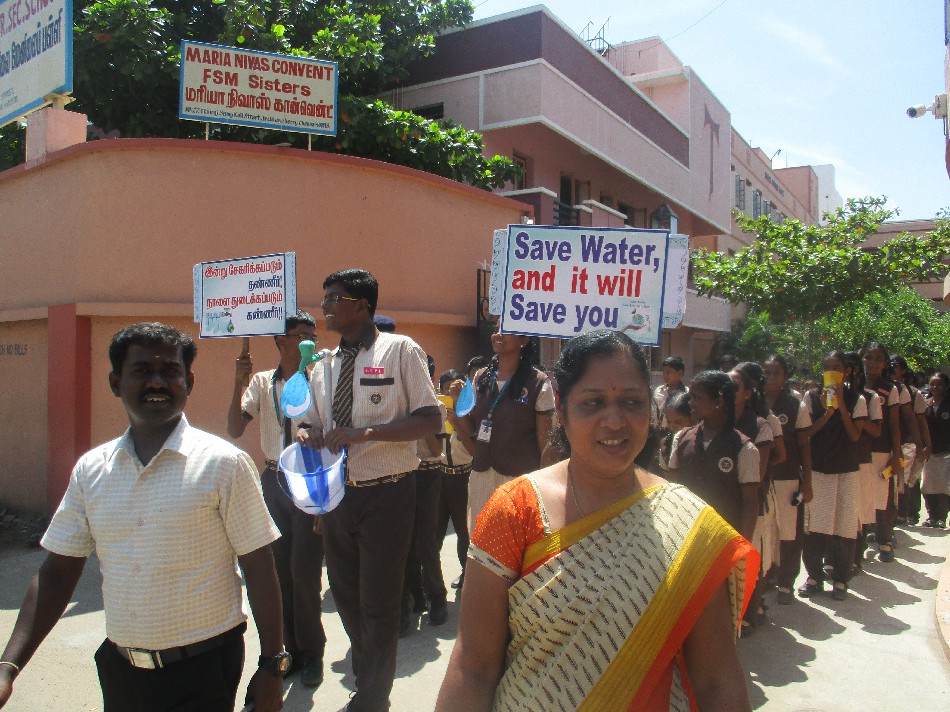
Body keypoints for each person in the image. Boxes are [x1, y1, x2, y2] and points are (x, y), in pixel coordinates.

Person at [435, 330, 757, 712]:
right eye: (592, 403)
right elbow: (473, 667)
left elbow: (718, 681)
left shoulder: (689, 525)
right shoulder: (515, 510)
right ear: (561, 409)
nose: (615, 421)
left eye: (632, 402)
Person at [0, 323, 286, 712]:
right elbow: (57, 574)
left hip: (204, 671)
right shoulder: (91, 470)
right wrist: (8, 666)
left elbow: (259, 566)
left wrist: (272, 665)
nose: (157, 382)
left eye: (170, 370)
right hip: (122, 671)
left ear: (188, 382)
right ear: (116, 383)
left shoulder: (224, 464)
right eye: (141, 371)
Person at [296, 268, 441, 712]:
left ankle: (373, 697)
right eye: (324, 299)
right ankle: (368, 673)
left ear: (362, 305)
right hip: (337, 496)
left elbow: (430, 420)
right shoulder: (324, 364)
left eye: (334, 299)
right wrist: (308, 433)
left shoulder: (400, 350)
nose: (325, 307)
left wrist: (366, 434)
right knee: (345, 596)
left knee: (378, 602)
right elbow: (310, 422)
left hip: (388, 493)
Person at [227, 311, 327, 688]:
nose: (309, 342)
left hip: (310, 477)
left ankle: (313, 652)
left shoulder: (322, 380)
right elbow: (234, 428)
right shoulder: (261, 382)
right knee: (279, 572)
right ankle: (291, 651)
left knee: (305, 573)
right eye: (301, 335)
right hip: (273, 480)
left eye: (313, 336)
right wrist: (237, 382)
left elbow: (331, 430)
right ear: (280, 341)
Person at [452, 325, 555, 533]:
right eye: (496, 328)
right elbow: (471, 429)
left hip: (518, 480)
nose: (498, 334)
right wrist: (458, 402)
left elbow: (546, 445)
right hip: (482, 477)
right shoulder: (480, 377)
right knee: (480, 541)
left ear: (524, 341)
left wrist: (544, 489)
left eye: (506, 329)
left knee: (514, 542)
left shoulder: (538, 383)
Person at [799, 351, 866, 601]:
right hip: (819, 469)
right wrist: (827, 413)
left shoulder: (857, 399)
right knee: (815, 525)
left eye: (836, 367)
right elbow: (806, 434)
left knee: (844, 525)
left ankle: (840, 578)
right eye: (827, 367)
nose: (831, 371)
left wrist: (841, 406)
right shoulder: (811, 397)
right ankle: (814, 576)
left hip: (847, 470)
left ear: (846, 371)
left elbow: (855, 435)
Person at [667, 370, 761, 546]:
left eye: (696, 398)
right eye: (690, 396)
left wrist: (743, 546)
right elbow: (673, 488)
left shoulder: (743, 448)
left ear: (717, 402)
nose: (690, 403)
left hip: (724, 541)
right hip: (686, 536)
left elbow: (750, 502)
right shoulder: (681, 439)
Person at [400, 354, 450, 635]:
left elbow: (437, 449)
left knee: (425, 540)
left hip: (428, 474)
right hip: (402, 474)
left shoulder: (437, 406)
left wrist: (422, 420)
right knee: (404, 540)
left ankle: (437, 596)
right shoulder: (397, 401)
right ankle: (414, 596)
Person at [763, 355, 813, 605]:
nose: (771, 378)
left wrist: (808, 482)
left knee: (788, 532)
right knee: (766, 531)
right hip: (761, 479)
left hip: (788, 477)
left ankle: (786, 582)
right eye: (767, 372)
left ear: (785, 377)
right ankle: (767, 575)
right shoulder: (754, 401)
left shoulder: (795, 405)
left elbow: (804, 445)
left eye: (777, 373)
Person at [861, 342, 905, 562]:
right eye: (869, 357)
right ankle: (857, 545)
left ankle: (884, 539)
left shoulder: (890, 389)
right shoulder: (854, 387)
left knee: (883, 497)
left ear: (885, 363)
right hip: (858, 452)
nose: (873, 363)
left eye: (879, 358)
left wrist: (896, 456)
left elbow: (895, 426)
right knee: (861, 497)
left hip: (882, 450)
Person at [438, 368, 473, 590]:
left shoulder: (469, 413)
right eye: (446, 390)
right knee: (434, 531)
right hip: (440, 476)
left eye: (456, 389)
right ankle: (431, 581)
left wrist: (458, 421)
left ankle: (466, 573)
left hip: (463, 476)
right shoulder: (435, 411)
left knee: (463, 530)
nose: (451, 394)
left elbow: (473, 448)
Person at [921, 372, 950, 528]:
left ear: (946, 386)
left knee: (944, 487)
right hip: (929, 452)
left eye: (939, 384)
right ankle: (931, 516)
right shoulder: (925, 405)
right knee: (928, 486)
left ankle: (941, 517)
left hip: (946, 452)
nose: (935, 387)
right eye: (932, 384)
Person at [653, 355, 687, 428]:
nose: (665, 375)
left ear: (680, 373)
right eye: (663, 372)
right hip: (659, 430)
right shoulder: (658, 391)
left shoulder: (686, 393)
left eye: (668, 372)